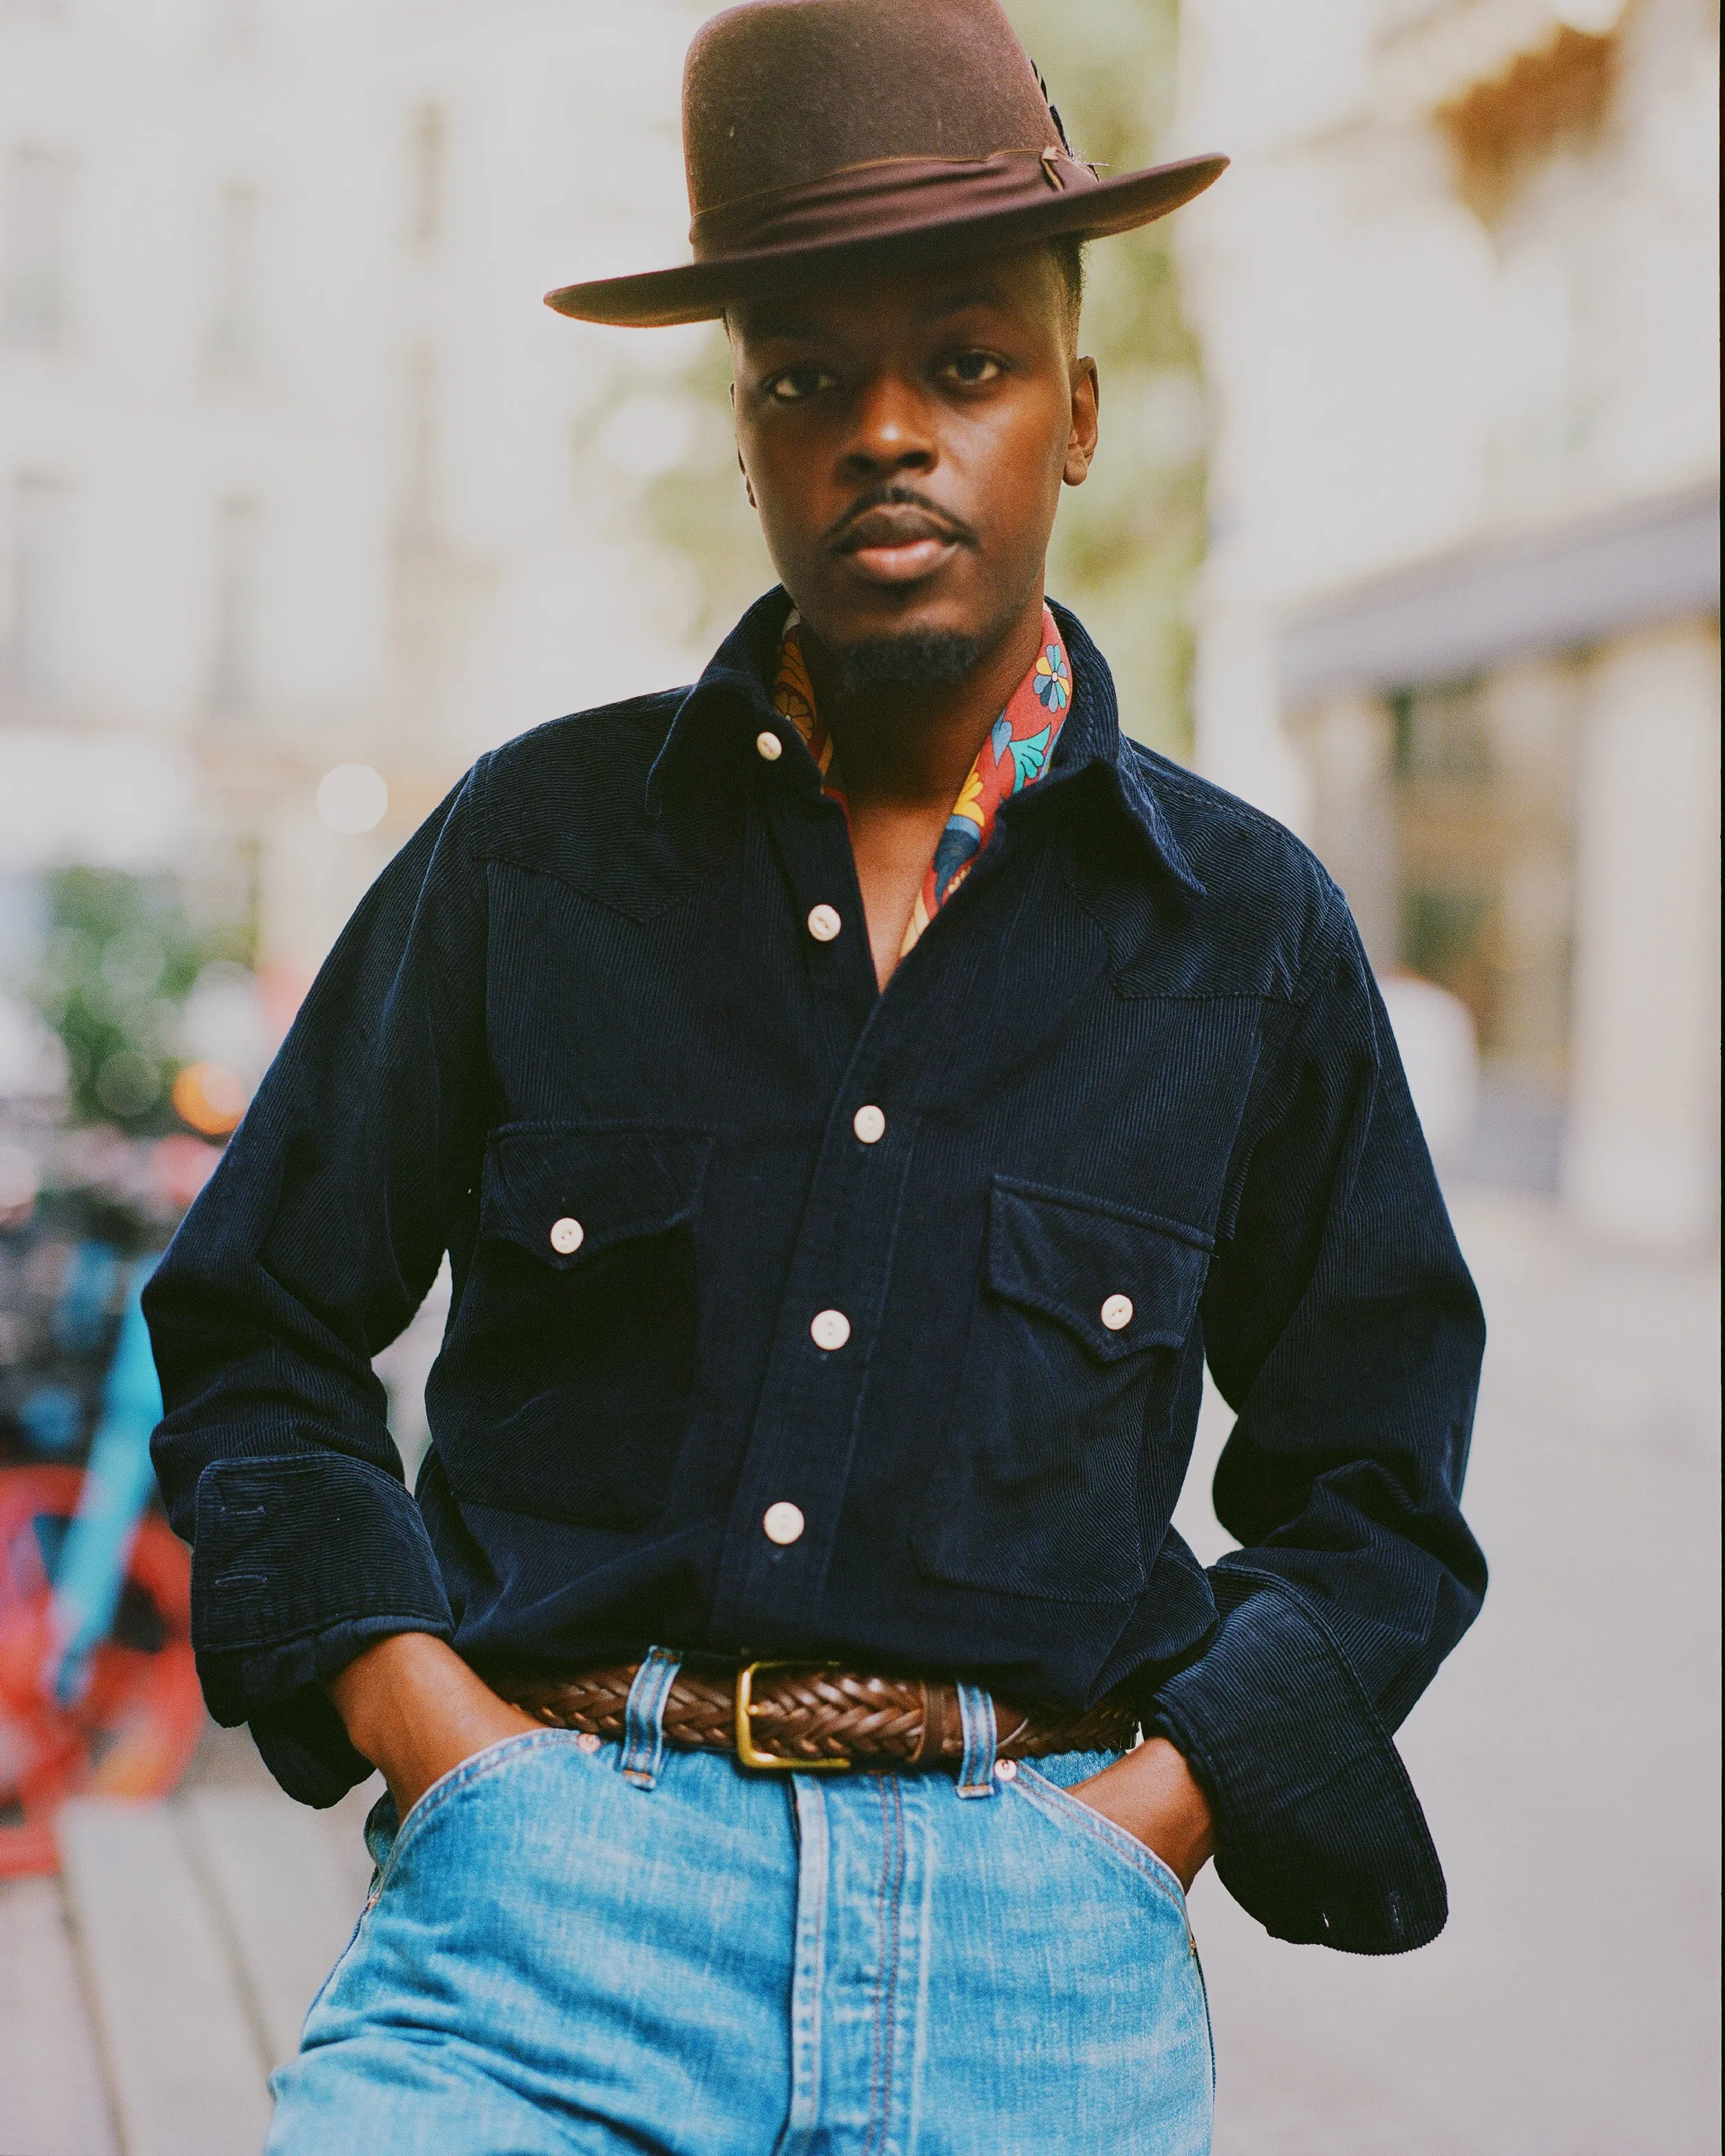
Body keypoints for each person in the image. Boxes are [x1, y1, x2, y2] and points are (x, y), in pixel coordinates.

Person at [145, 3, 1487, 2150]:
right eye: (806, 380)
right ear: (750, 437)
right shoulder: (533, 850)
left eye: (960, 364)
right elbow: (252, 1328)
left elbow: (1375, 1493)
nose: (886, 432)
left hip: (1039, 1934)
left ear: (1073, 414)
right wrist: (439, 1742)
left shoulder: (1244, 933)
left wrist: (1150, 1815)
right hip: (541, 1922)